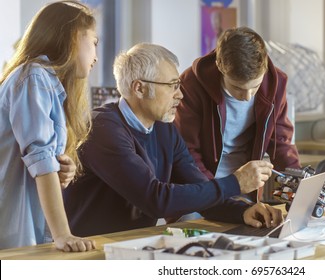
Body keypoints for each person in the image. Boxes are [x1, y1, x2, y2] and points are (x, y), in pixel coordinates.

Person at [63, 43, 282, 237]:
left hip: (133, 245)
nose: (180, 94)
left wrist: (242, 211)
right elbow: (155, 200)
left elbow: (198, 190)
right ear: (139, 88)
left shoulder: (164, 129)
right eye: (172, 85)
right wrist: (234, 183)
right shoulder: (102, 128)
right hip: (89, 251)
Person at [0, 1, 98, 251]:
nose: (96, 56)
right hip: (14, 230)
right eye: (94, 42)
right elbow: (40, 159)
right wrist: (63, 234)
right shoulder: (35, 76)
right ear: (74, 36)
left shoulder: (45, 81)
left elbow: (41, 163)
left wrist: (59, 170)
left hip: (24, 227)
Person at [175, 26, 301, 201]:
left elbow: (280, 142)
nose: (247, 97)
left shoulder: (277, 83)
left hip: (246, 185)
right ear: (219, 65)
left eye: (255, 87)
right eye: (237, 88)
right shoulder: (191, 84)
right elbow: (188, 152)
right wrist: (213, 195)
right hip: (199, 186)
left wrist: (298, 186)